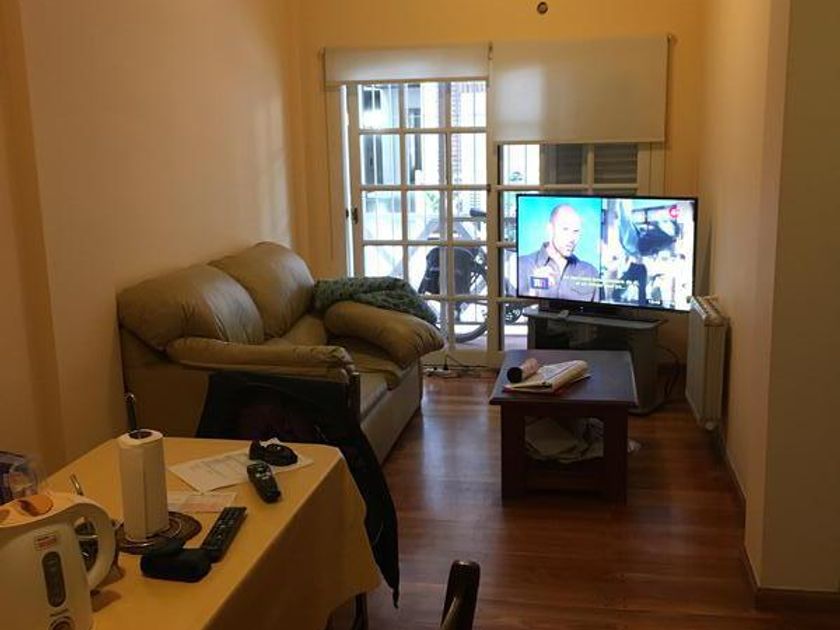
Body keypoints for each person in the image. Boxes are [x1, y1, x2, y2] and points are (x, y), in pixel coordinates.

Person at [518, 204, 599, 301]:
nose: (571, 238)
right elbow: (512, 307)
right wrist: (534, 290)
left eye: (576, 231)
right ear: (550, 229)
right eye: (565, 229)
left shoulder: (591, 272)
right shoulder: (521, 266)